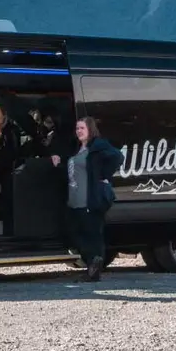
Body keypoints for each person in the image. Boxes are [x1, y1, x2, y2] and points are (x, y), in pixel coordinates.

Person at [51, 116, 123, 282]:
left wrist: (104, 175)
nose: (79, 131)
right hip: (74, 199)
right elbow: (72, 172)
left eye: (82, 128)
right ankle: (93, 261)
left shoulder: (97, 145)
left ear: (90, 129)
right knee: (74, 233)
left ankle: (94, 267)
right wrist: (58, 164)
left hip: (89, 199)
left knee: (93, 233)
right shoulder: (77, 149)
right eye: (77, 128)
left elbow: (117, 156)